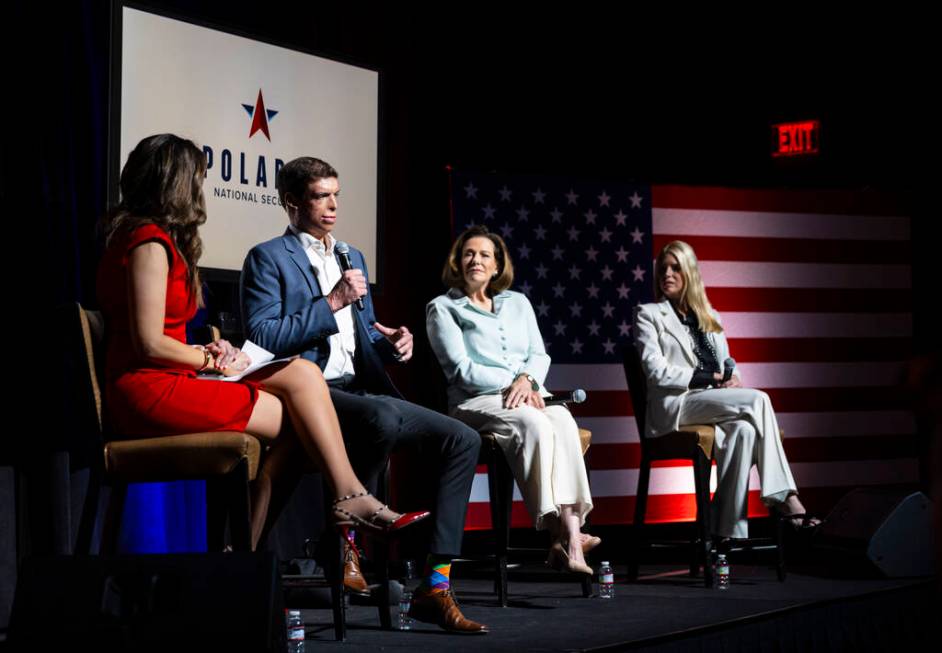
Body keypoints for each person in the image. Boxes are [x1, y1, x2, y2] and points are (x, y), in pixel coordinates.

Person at [97, 134, 428, 552]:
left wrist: (214, 351)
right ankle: (265, 542)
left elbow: (161, 335)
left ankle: (320, 511)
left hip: (175, 377)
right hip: (148, 389)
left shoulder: (153, 239)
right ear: (176, 183)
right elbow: (148, 344)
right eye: (197, 179)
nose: (200, 190)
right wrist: (209, 360)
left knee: (303, 377)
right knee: (298, 421)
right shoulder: (148, 242)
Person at [240, 157, 486, 634]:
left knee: (463, 440)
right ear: (292, 203)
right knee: (381, 421)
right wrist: (329, 302)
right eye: (320, 196)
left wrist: (393, 345)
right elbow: (263, 336)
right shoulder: (267, 257)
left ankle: (436, 585)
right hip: (308, 392)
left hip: (362, 389)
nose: (333, 205)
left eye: (336, 194)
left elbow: (360, 338)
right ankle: (347, 540)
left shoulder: (352, 255)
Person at [426, 225, 598, 576]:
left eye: (484, 254)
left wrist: (528, 380)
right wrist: (514, 384)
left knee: (563, 420)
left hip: (528, 393)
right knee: (533, 422)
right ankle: (560, 533)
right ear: (457, 262)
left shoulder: (518, 302)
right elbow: (461, 369)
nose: (476, 260)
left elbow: (539, 354)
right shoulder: (442, 307)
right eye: (469, 253)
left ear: (496, 265)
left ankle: (570, 531)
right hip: (474, 402)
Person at [632, 240, 820, 540]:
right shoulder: (649, 314)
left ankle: (725, 533)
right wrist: (706, 375)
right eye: (662, 269)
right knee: (759, 399)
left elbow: (729, 366)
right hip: (678, 404)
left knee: (744, 432)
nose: (666, 274)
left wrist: (733, 379)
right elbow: (655, 372)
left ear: (690, 273)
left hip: (712, 400)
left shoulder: (711, 317)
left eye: (675, 267)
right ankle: (787, 498)